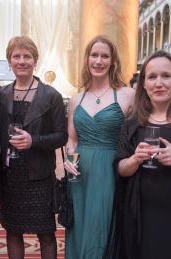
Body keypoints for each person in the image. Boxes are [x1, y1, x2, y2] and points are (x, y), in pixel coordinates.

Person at [64, 35, 134, 258]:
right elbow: (72, 139)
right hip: (79, 173)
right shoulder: (77, 99)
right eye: (94, 55)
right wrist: (69, 158)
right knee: (81, 225)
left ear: (113, 61)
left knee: (102, 225)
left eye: (105, 56)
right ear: (87, 59)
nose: (99, 61)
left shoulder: (127, 95)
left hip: (110, 170)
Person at [0, 36, 67, 259]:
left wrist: (33, 141)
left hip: (38, 176)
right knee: (12, 232)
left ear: (35, 60)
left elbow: (61, 136)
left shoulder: (51, 95)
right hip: (10, 176)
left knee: (46, 234)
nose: (21, 61)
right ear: (9, 61)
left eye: (27, 56)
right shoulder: (2, 94)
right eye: (16, 56)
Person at [104, 50, 171, 259]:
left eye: (166, 76)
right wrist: (134, 159)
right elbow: (120, 169)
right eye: (152, 77)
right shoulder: (133, 123)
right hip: (140, 214)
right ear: (143, 83)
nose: (158, 83)